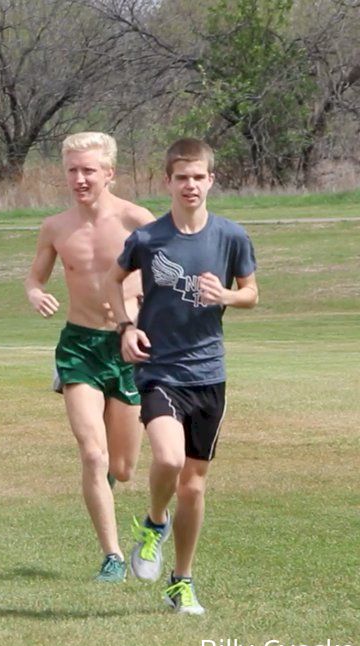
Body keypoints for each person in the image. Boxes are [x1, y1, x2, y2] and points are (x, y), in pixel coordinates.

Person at [107, 138, 257, 615]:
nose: (190, 185)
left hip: (209, 374)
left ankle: (181, 581)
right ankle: (153, 523)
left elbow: (251, 292)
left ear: (211, 180)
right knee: (168, 460)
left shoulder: (231, 236)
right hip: (160, 370)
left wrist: (227, 297)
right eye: (181, 178)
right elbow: (112, 282)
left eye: (199, 177)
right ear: (167, 182)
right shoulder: (148, 239)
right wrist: (125, 327)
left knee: (194, 486)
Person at [23, 132, 154, 582]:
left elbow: (169, 278)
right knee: (93, 455)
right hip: (79, 347)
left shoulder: (139, 221)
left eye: (88, 170)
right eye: (73, 170)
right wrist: (36, 294)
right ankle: (113, 555)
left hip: (130, 349)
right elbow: (34, 279)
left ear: (109, 173)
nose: (80, 179)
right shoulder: (56, 227)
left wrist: (135, 306)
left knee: (124, 467)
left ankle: (127, 504)